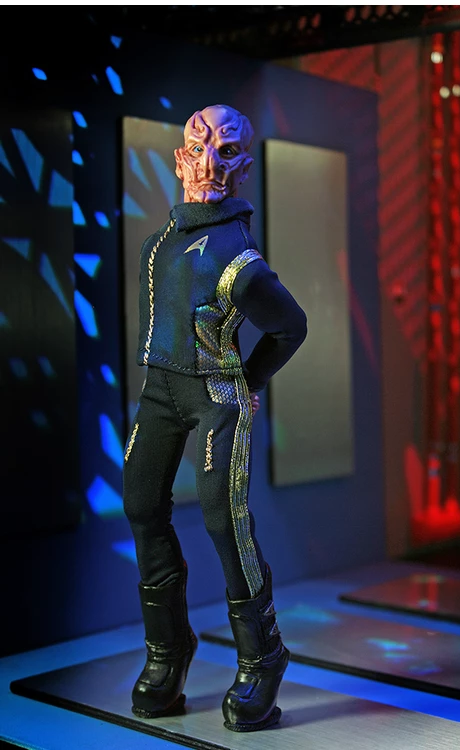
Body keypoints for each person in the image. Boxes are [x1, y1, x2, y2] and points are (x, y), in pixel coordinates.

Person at [123, 104, 307, 732]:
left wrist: (250, 380)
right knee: (141, 502)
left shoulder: (239, 258)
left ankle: (262, 655)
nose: (208, 161)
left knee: (223, 519)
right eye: (198, 146)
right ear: (180, 160)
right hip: (160, 390)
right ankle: (167, 650)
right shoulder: (156, 247)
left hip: (216, 395)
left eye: (225, 150)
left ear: (243, 166)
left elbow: (291, 326)